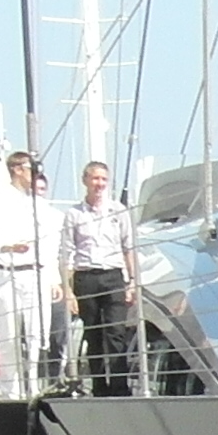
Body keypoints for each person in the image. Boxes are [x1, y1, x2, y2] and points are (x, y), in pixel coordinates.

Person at [0, 149, 63, 394]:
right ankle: (10, 391)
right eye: (30, 169)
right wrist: (4, 246)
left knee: (37, 336)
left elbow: (50, 245)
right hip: (6, 273)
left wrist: (54, 278)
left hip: (36, 274)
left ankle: (34, 388)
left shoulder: (39, 205)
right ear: (17, 169)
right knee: (10, 335)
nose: (34, 174)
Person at [64, 158, 138, 395]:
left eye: (104, 179)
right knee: (93, 332)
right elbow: (65, 253)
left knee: (116, 330)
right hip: (86, 277)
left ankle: (119, 384)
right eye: (95, 178)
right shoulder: (74, 214)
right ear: (85, 180)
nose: (99, 184)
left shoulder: (119, 211)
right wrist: (68, 290)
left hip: (113, 275)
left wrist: (133, 282)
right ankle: (98, 385)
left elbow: (129, 248)